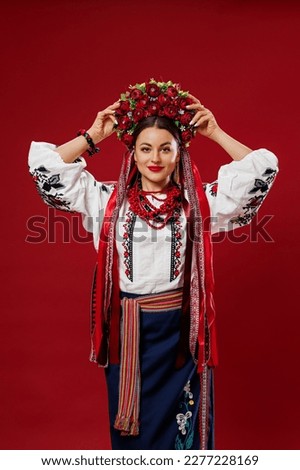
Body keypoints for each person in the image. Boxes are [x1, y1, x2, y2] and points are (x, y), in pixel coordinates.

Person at [28, 79, 279, 450]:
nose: (155, 158)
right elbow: (44, 167)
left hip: (180, 336)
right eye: (146, 148)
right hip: (128, 334)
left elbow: (262, 169)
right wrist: (93, 135)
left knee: (182, 437)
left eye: (166, 148)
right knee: (134, 437)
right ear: (133, 151)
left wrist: (215, 132)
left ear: (181, 153)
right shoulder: (107, 201)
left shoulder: (199, 205)